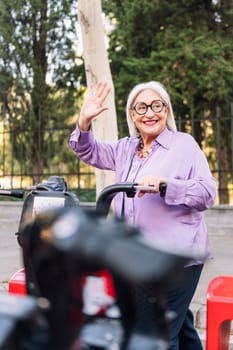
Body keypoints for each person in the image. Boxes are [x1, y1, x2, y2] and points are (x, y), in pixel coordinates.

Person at [69, 81, 217, 350]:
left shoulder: (185, 145)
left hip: (176, 259)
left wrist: (165, 185)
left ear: (166, 109)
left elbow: (207, 194)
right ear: (133, 115)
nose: (149, 113)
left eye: (156, 105)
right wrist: (84, 120)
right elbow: (86, 150)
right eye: (141, 107)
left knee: (159, 333)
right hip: (138, 257)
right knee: (179, 323)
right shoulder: (125, 149)